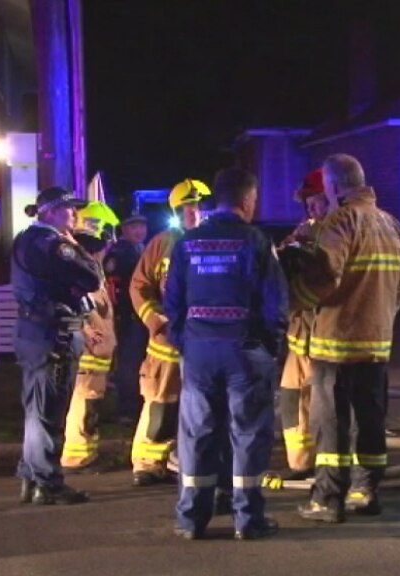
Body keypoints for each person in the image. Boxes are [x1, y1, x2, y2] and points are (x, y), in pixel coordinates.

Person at [166, 167, 288, 541]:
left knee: (197, 433)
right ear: (247, 199)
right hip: (244, 350)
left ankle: (191, 519)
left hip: (199, 352)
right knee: (248, 433)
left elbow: (173, 303)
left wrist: (186, 344)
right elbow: (275, 304)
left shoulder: (186, 243)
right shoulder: (256, 241)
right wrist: (269, 347)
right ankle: (247, 519)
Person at [291, 154, 400, 524]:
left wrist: (296, 300)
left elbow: (325, 277)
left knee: (330, 423)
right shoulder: (393, 226)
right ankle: (366, 491)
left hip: (335, 344)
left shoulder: (340, 221)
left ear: (333, 185)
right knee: (370, 419)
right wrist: (379, 322)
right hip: (377, 344)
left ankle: (328, 499)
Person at [11, 186, 101, 505]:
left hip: (34, 331)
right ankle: (47, 482)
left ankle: (31, 476)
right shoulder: (53, 244)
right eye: (68, 209)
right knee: (49, 410)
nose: (75, 214)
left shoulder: (25, 239)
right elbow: (92, 278)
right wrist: (76, 247)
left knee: (35, 408)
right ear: (49, 212)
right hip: (54, 334)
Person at [128, 179, 211, 487]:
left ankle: (181, 460)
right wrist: (156, 320)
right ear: (176, 211)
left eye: (198, 206)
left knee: (197, 406)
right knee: (160, 403)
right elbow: (139, 286)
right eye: (187, 207)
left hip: (200, 341)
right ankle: (148, 463)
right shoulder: (162, 243)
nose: (194, 212)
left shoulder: (210, 240)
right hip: (166, 343)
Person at [264, 169, 332, 487]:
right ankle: (302, 463)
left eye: (316, 201)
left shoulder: (339, 234)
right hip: (300, 338)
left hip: (326, 338)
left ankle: (332, 467)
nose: (310, 208)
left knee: (326, 405)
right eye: (307, 202)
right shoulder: (304, 230)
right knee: (292, 398)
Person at [61, 202, 119, 472]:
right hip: (88, 351)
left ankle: (86, 453)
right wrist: (85, 330)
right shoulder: (78, 264)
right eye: (106, 238)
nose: (109, 245)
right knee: (84, 402)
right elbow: (72, 302)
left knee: (89, 402)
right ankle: (78, 458)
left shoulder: (87, 262)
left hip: (96, 351)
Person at [105, 212, 148, 424]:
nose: (139, 231)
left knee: (137, 361)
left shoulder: (140, 249)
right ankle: (128, 409)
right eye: (134, 227)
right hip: (128, 315)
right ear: (124, 229)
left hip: (139, 314)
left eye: (142, 226)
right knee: (129, 363)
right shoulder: (121, 253)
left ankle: (136, 404)